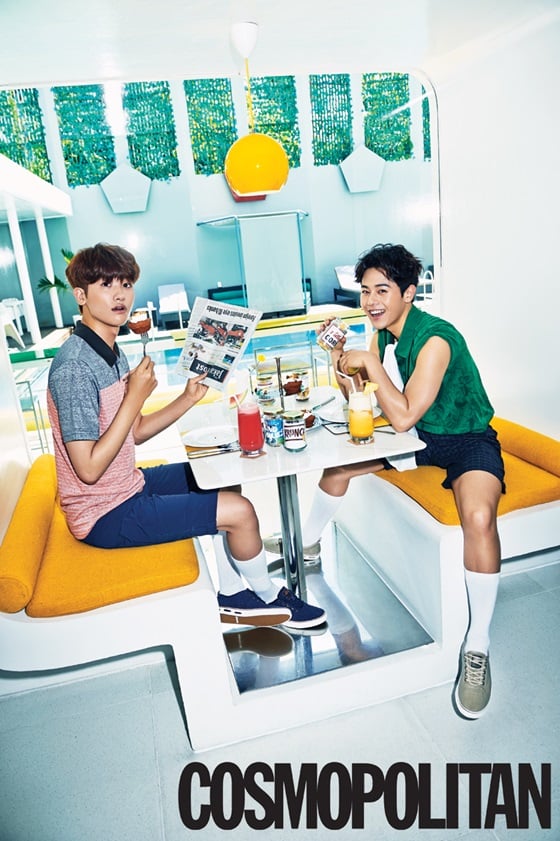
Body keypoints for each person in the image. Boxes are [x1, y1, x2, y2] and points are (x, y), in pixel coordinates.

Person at [265, 243, 504, 718]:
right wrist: (339, 358)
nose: (371, 301)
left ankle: (477, 646)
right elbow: (363, 400)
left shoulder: (435, 339)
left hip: (467, 440)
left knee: (478, 517)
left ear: (408, 293)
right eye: (365, 291)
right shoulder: (383, 337)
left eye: (382, 290)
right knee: (339, 468)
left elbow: (403, 414)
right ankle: (306, 545)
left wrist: (370, 363)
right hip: (420, 440)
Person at [47, 243, 326, 632]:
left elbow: (135, 432)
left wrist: (188, 397)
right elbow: (89, 469)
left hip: (127, 486)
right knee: (240, 512)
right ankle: (267, 596)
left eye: (125, 284)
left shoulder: (110, 352)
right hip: (102, 515)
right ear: (81, 295)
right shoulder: (75, 368)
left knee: (220, 475)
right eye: (105, 284)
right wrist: (135, 397)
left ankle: (231, 590)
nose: (119, 294)